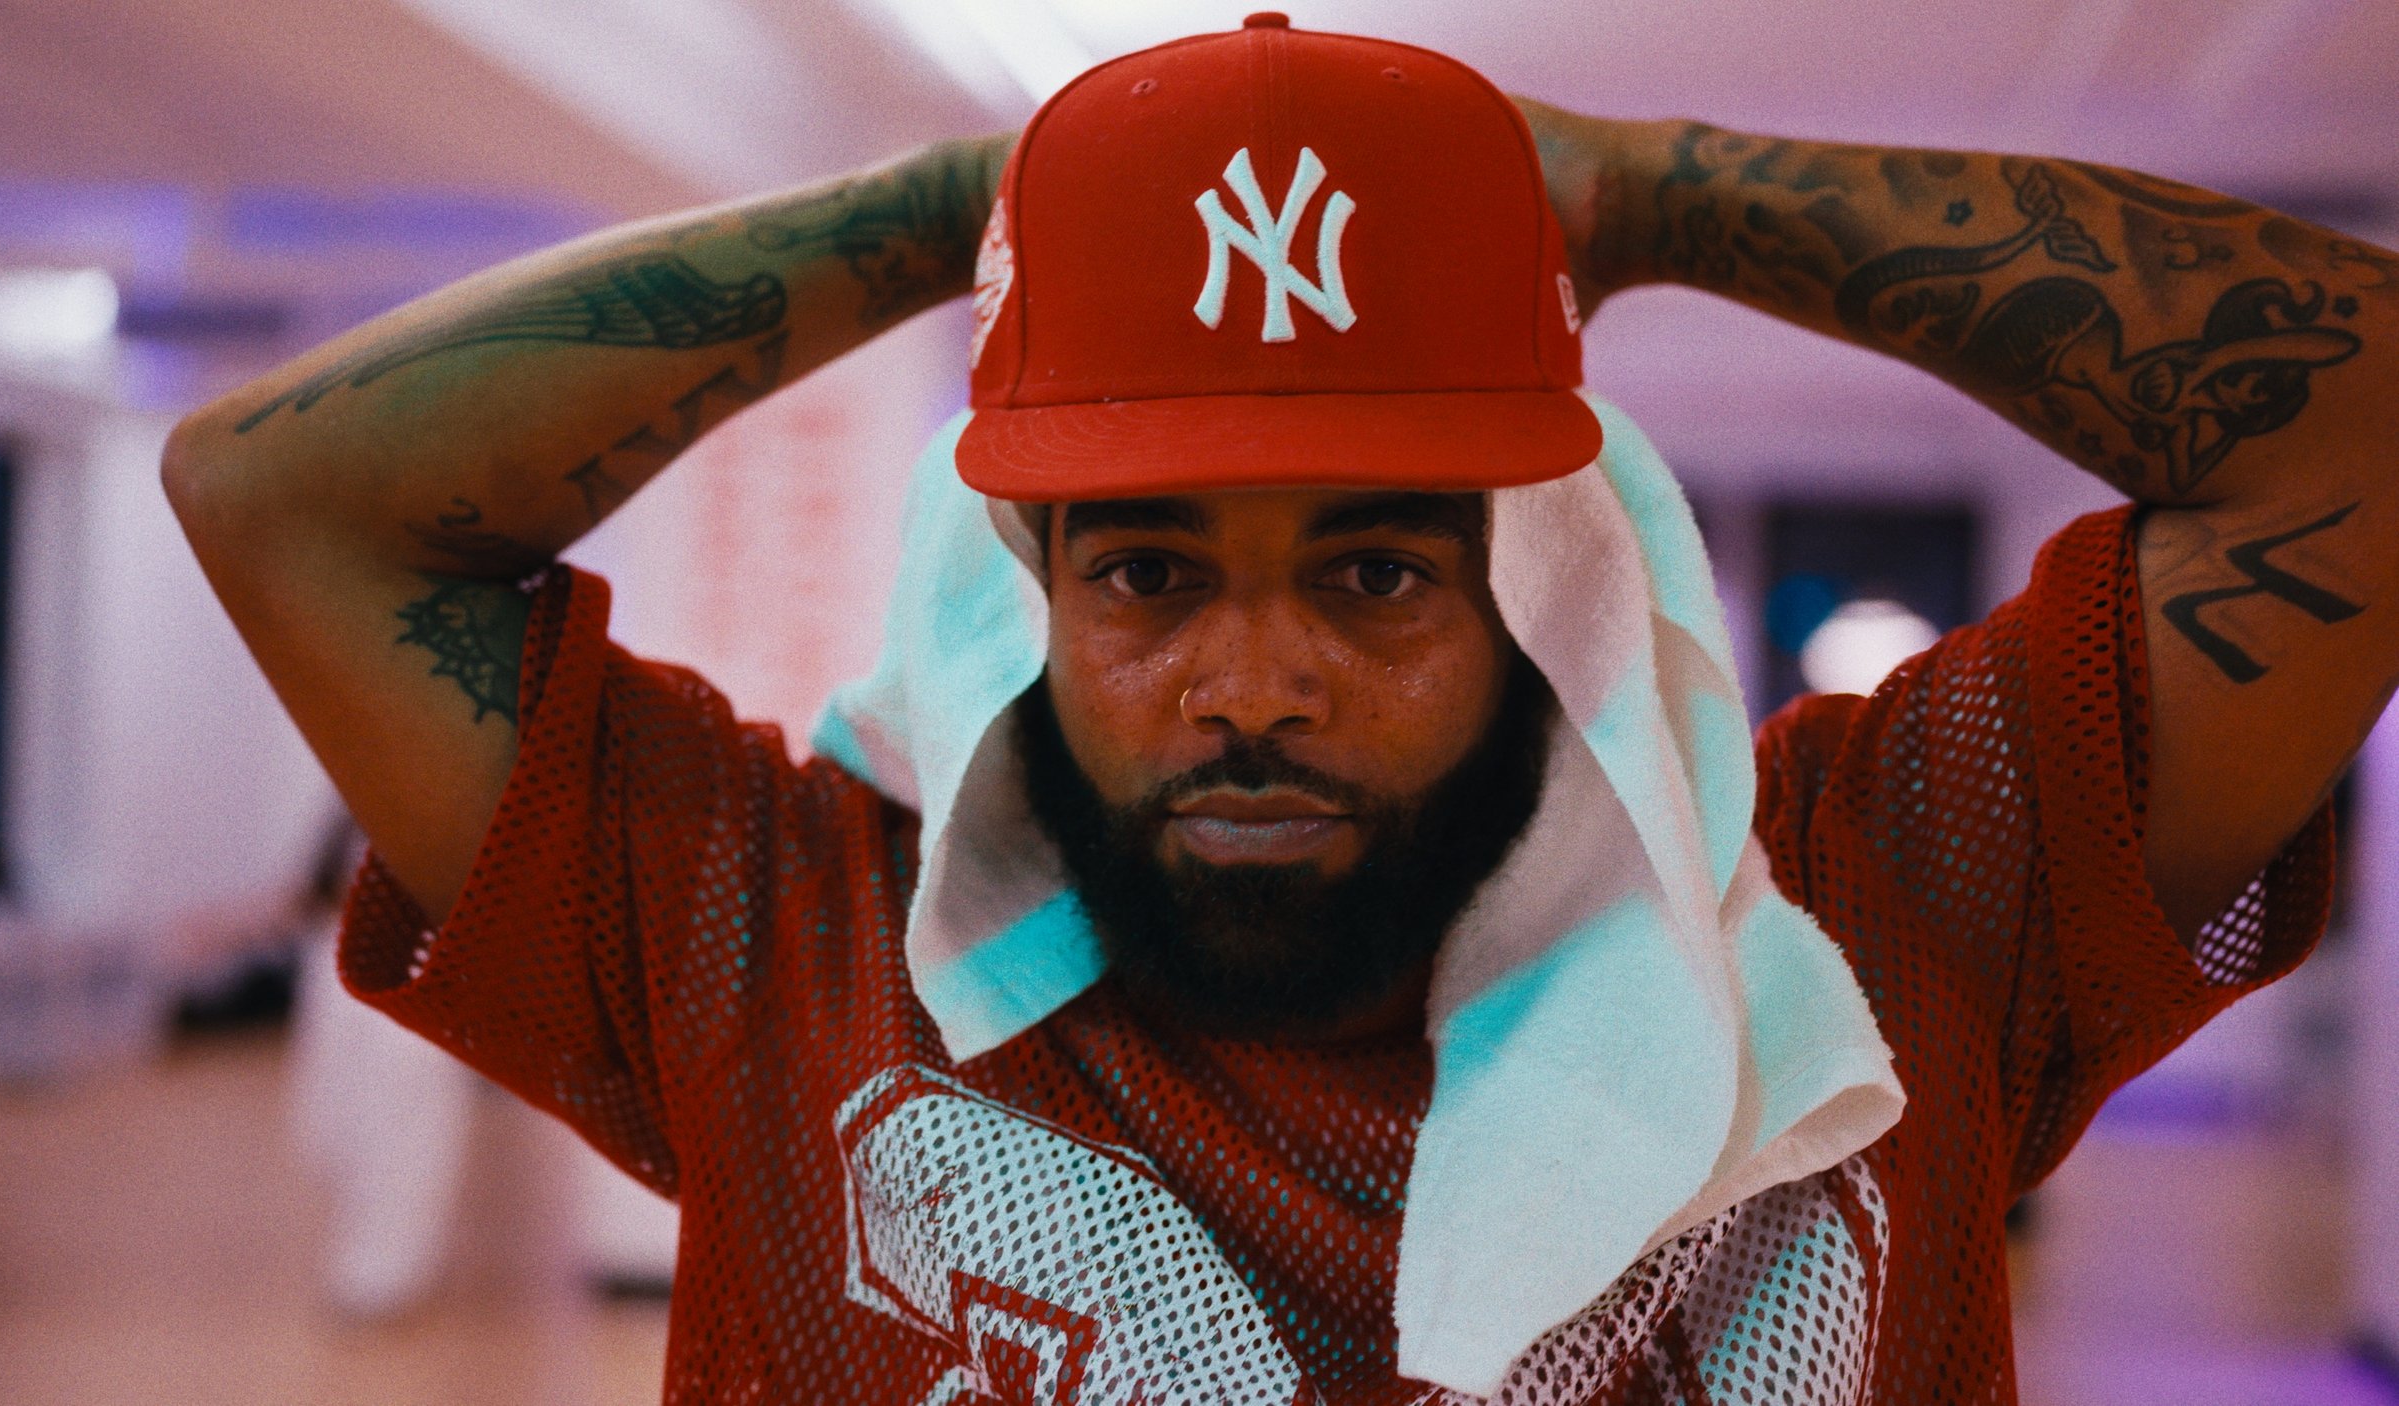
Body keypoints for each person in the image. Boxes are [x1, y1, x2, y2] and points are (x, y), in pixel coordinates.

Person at [162, 15, 2398, 1403]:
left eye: (1372, 569)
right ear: (1024, 588)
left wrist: (1644, 190)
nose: (1249, 685)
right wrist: (990, 208)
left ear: (1539, 579)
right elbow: (280, 498)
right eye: (1145, 572)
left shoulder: (1881, 903)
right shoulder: (777, 938)